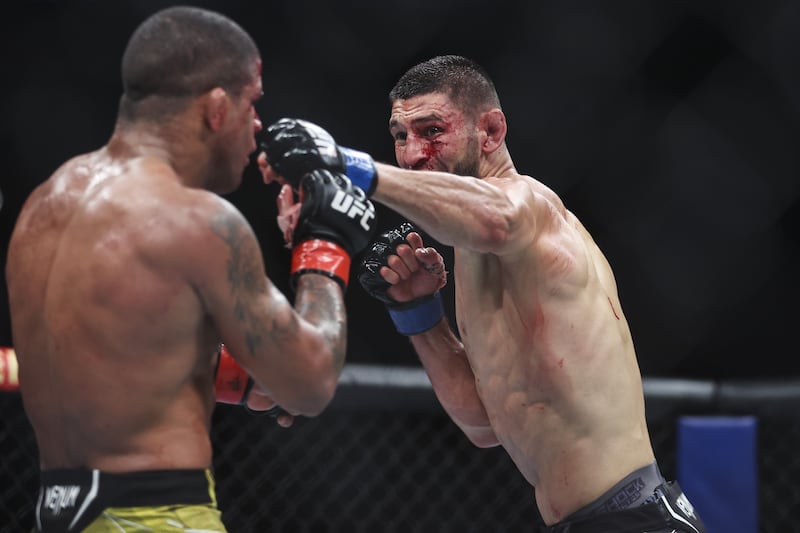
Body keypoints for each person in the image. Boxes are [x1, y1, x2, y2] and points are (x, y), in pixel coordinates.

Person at [259, 55, 706, 532]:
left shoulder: (530, 206)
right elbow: (484, 423)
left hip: (634, 517)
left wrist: (350, 166)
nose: (411, 154)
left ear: (490, 132)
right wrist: (419, 316)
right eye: (400, 136)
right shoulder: (470, 254)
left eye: (432, 131)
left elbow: (499, 219)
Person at [4, 6, 375, 532]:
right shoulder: (198, 221)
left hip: (59, 513)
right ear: (217, 108)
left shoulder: (43, 206)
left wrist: (229, 370)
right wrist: (324, 245)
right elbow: (311, 382)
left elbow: (108, 351)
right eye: (252, 104)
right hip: (161, 516)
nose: (258, 126)